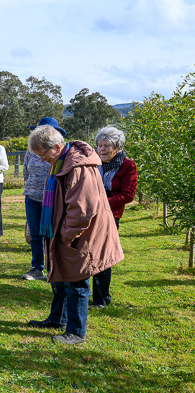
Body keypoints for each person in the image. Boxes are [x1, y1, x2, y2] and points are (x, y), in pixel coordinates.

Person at [26, 125, 123, 345]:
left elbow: (82, 210)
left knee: (76, 280)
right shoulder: (62, 162)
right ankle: (57, 319)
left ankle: (77, 332)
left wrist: (66, 236)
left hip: (83, 235)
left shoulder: (78, 167)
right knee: (61, 276)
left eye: (43, 154)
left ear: (57, 147)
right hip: (65, 232)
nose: (41, 160)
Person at [91, 126, 137, 309]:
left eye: (106, 146)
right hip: (89, 211)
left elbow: (128, 195)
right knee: (87, 252)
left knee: (102, 255)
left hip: (110, 214)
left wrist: (102, 202)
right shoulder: (94, 162)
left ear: (117, 148)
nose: (101, 149)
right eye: (99, 145)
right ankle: (81, 291)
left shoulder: (127, 165)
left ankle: (101, 299)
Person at [22, 117, 65, 281]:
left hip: (53, 198)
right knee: (35, 234)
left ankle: (54, 268)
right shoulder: (30, 151)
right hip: (32, 197)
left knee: (53, 234)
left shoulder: (59, 151)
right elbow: (26, 172)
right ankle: (37, 268)